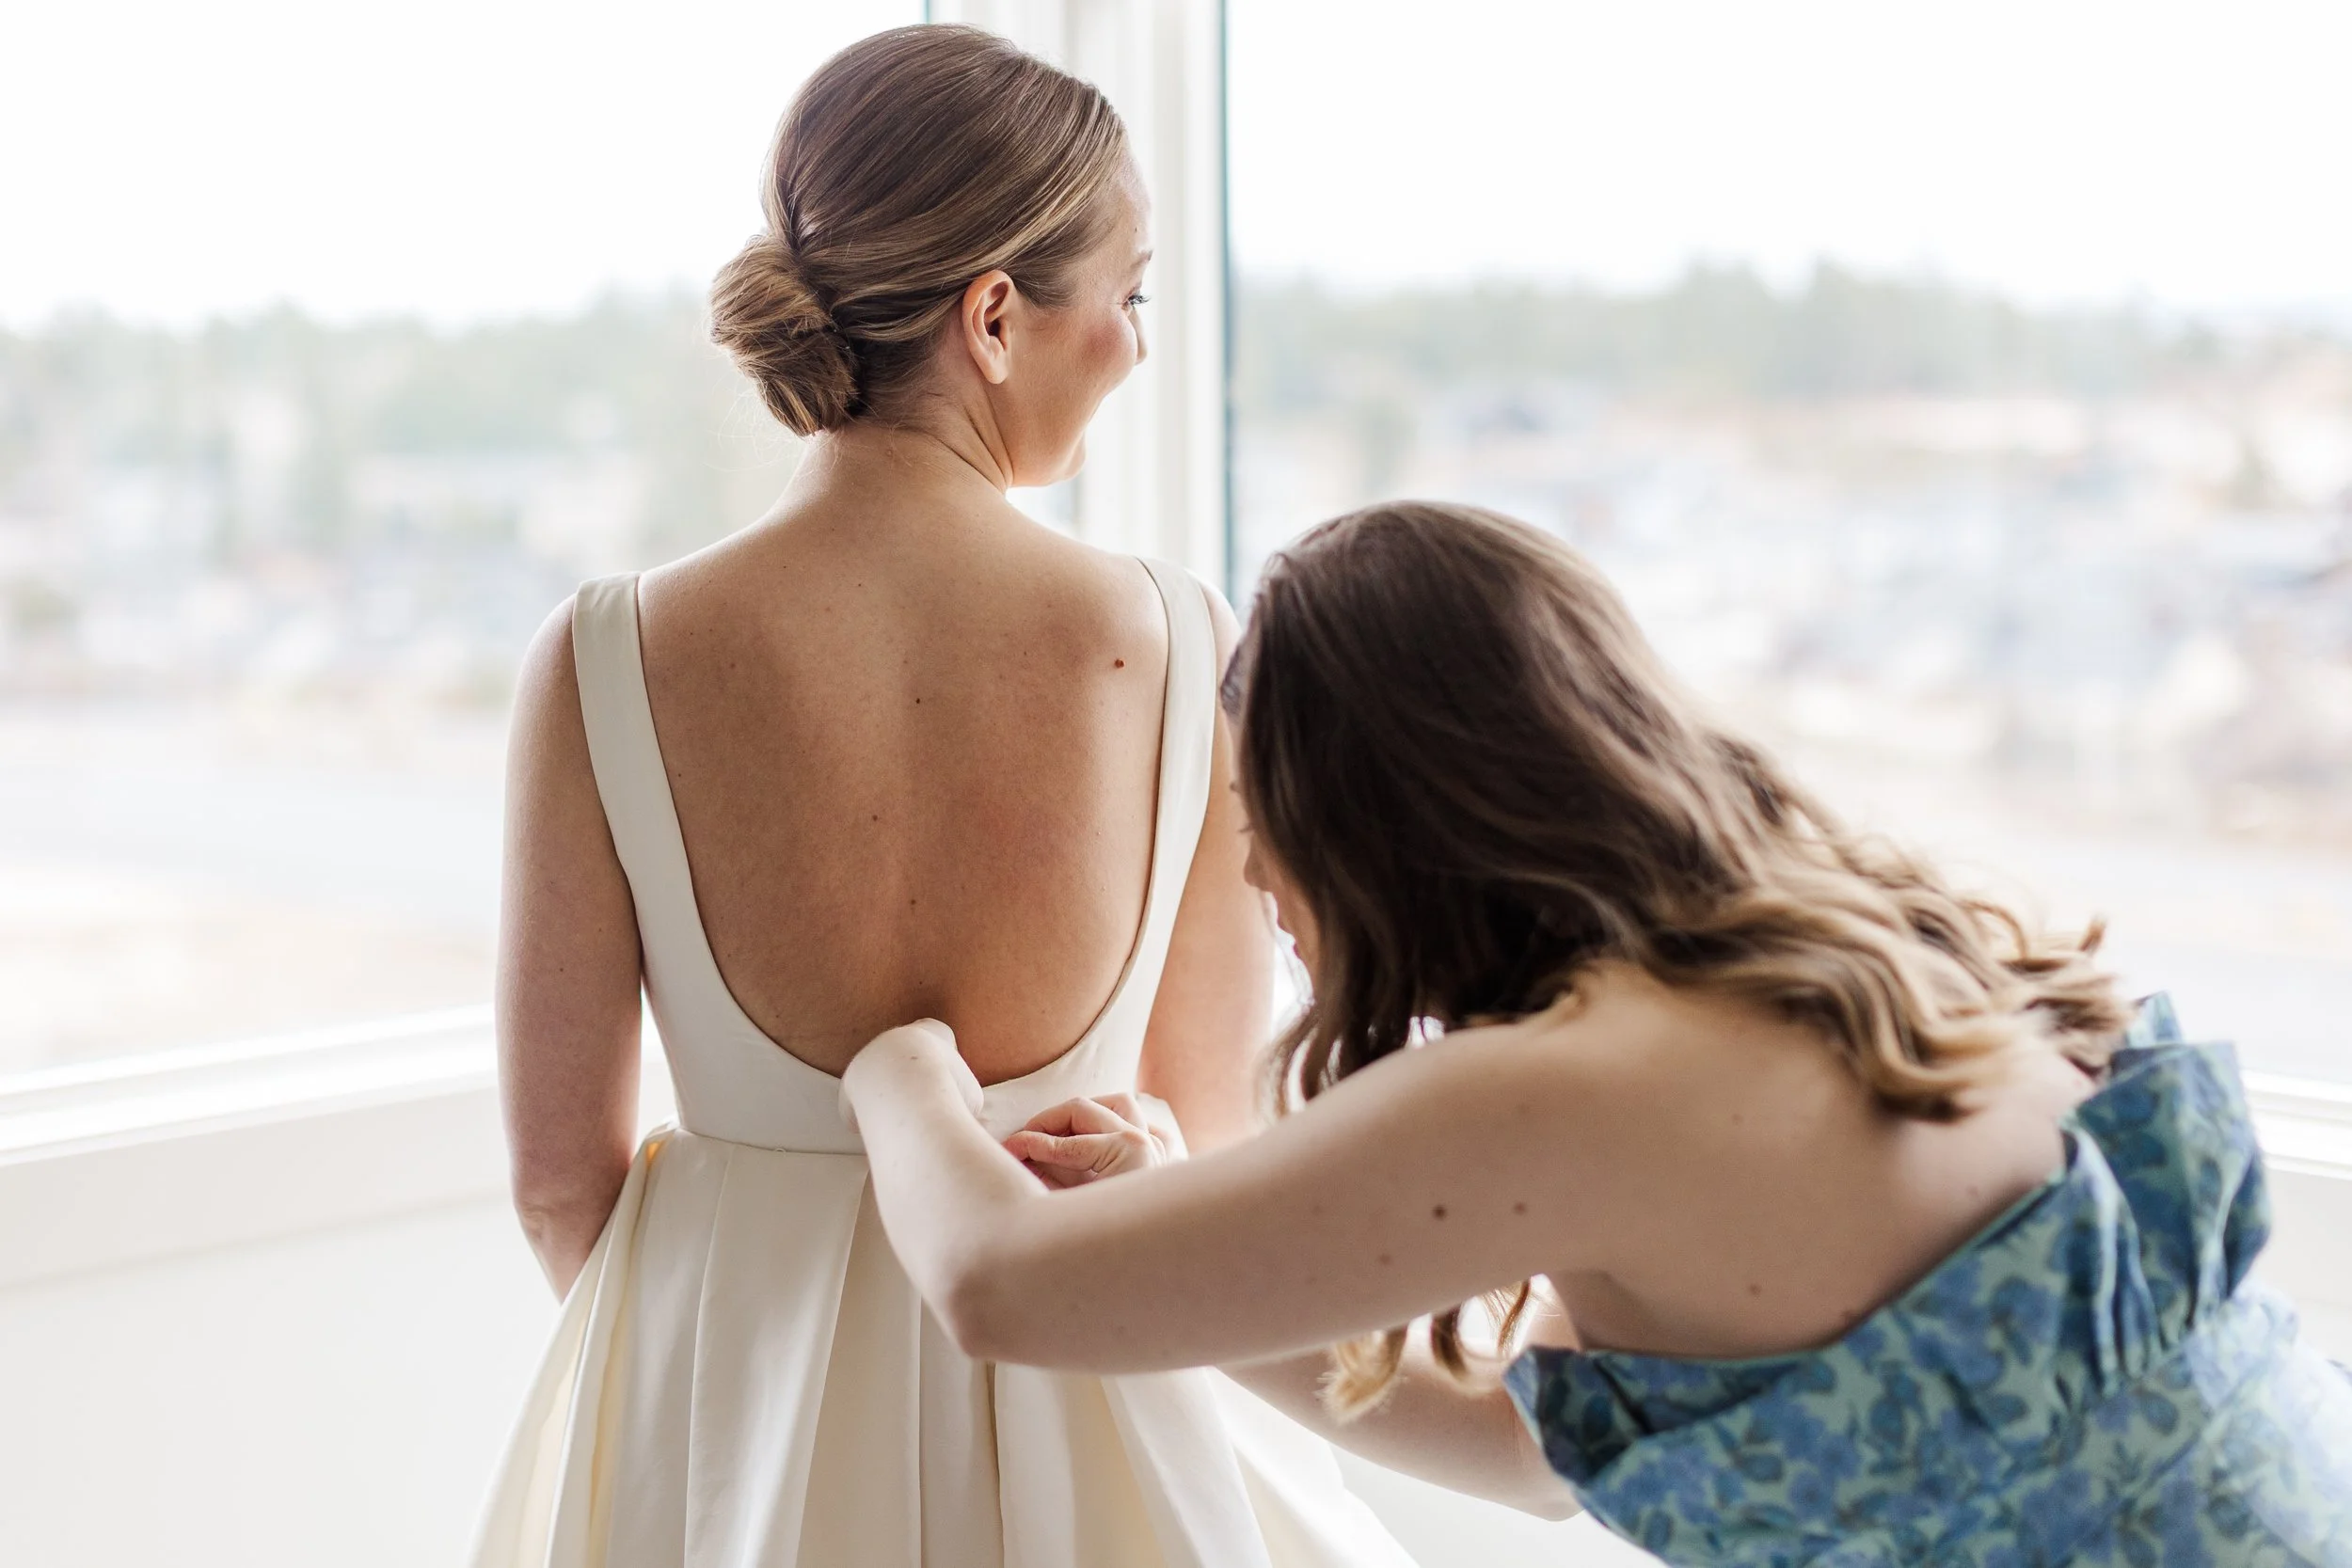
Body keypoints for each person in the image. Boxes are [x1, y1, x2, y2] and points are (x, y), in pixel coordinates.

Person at [843, 501, 2352, 1567]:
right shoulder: (1839, 943)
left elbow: (996, 1284)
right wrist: (1170, 1207)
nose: (1251, 875)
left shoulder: (1577, 1086)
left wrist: (889, 1069)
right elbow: (1533, 1454)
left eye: (1263, 821)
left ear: (1382, 821)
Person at [472, 25, 1414, 1568]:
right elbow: (1208, 1136)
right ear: (993, 316)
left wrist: (749, 1380)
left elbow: (555, 1179)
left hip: (729, 1443)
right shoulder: (1176, 646)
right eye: (1129, 297)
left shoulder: (598, 664)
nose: (1136, 345)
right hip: (1094, 1422)